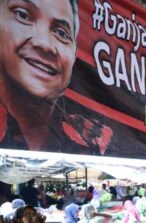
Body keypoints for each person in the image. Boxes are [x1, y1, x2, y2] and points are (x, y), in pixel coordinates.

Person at [0, 0, 111, 153]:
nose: (44, 44)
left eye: (61, 33)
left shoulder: (92, 140)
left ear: (75, 54)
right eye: (23, 15)